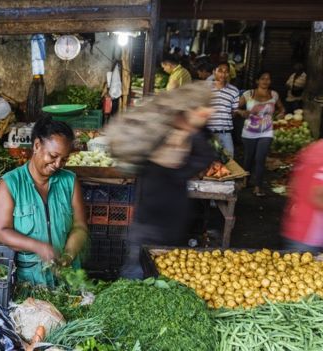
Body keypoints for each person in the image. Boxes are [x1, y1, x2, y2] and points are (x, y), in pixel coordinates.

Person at [119, 89, 216, 279]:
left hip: (173, 228)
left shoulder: (191, 142)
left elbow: (205, 156)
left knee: (165, 282)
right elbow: (126, 151)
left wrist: (191, 130)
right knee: (134, 280)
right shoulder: (152, 139)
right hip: (147, 228)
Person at [0, 117, 88, 287]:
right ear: (36, 146)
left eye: (64, 159)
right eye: (53, 156)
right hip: (29, 280)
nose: (58, 164)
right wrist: (38, 247)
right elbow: (1, 232)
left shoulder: (70, 181)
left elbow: (80, 227)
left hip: (67, 280)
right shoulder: (10, 184)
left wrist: (68, 256)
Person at [237, 71, 285, 197]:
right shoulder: (248, 94)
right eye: (262, 79)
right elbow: (235, 108)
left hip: (267, 131)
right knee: (249, 158)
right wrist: (241, 112)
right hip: (249, 132)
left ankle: (258, 186)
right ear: (257, 81)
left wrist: (281, 114)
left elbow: (282, 108)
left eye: (268, 79)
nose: (265, 81)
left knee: (260, 159)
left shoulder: (274, 94)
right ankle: (245, 180)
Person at [281, 140, 323, 252]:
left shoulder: (314, 148)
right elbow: (316, 196)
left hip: (296, 225)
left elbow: (293, 183)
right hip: (309, 235)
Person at [207, 61, 241, 158]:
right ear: (214, 72)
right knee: (209, 163)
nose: (223, 74)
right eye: (220, 71)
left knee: (230, 161)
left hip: (226, 133)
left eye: (226, 71)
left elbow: (234, 112)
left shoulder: (234, 91)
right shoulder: (205, 88)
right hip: (209, 133)